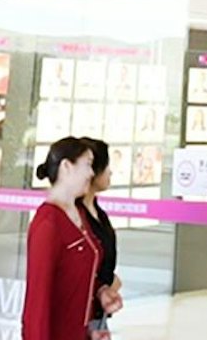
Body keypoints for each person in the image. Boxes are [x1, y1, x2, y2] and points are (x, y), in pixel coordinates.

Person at [25, 137, 109, 340]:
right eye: (87, 164)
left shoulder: (79, 215)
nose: (91, 173)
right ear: (66, 167)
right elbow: (37, 303)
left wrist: (100, 294)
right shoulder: (48, 224)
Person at [79, 139, 123, 337]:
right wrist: (107, 284)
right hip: (82, 313)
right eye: (106, 166)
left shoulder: (99, 214)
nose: (110, 172)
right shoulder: (76, 216)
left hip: (100, 311)